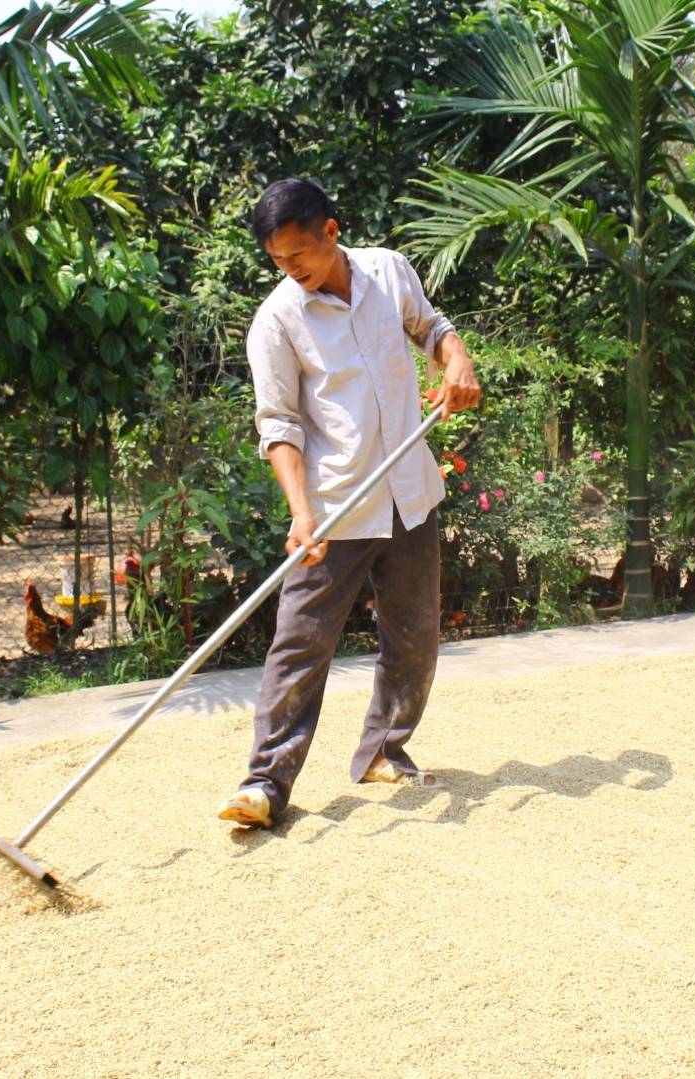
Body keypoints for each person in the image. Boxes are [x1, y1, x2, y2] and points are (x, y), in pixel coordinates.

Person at [217, 178, 480, 828]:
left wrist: (457, 361)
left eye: (298, 254)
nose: (291, 270)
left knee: (414, 639)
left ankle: (383, 752)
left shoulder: (388, 272)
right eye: (277, 261)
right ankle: (264, 783)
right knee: (300, 643)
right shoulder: (278, 319)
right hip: (333, 508)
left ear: (331, 231)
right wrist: (301, 512)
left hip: (408, 492)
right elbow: (277, 425)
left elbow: (433, 328)